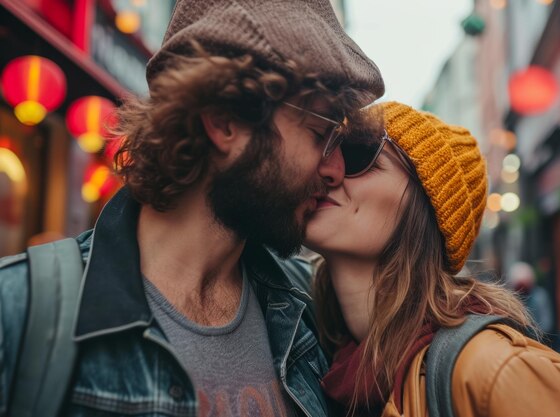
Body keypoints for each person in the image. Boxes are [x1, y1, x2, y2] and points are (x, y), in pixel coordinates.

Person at [0, 1, 384, 416]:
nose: (336, 170)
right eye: (320, 133)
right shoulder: (20, 310)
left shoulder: (305, 306)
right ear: (224, 121)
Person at [305, 102, 560, 417]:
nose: (328, 169)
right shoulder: (323, 363)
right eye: (325, 150)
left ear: (425, 201)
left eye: (357, 154)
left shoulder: (500, 372)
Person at [507, 261, 554, 334]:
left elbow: (546, 323)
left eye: (524, 284)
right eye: (519, 285)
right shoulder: (510, 299)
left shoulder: (540, 296)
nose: (522, 289)